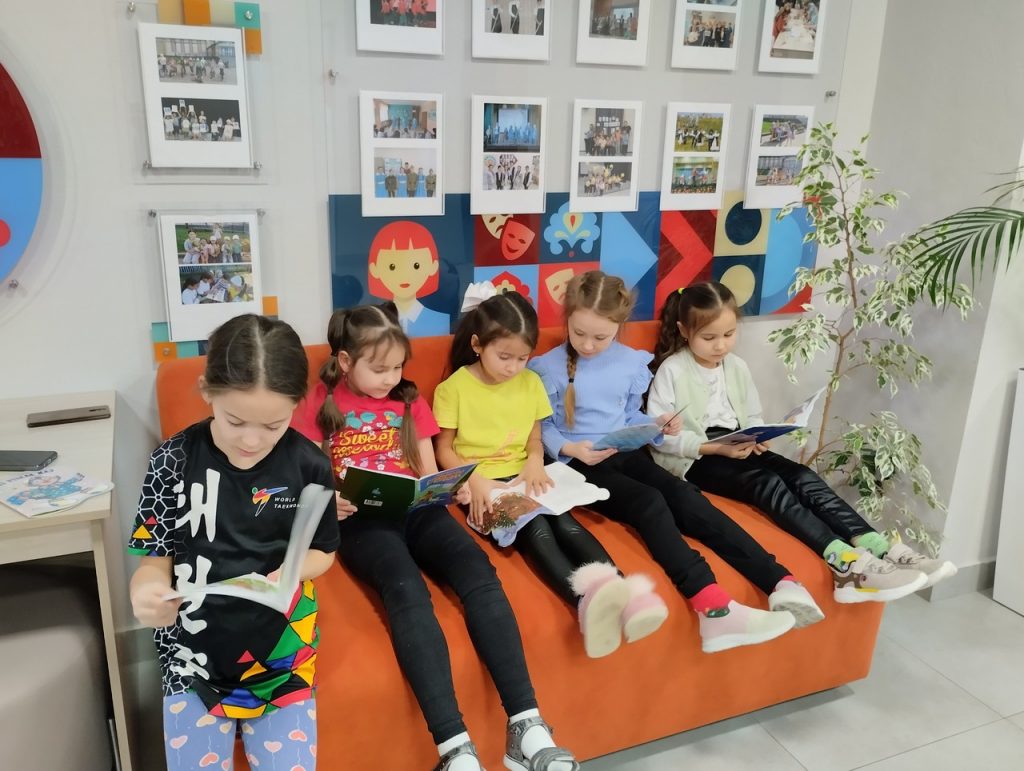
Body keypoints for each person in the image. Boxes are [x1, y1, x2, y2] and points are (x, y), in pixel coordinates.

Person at [291, 303, 579, 771]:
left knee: (478, 572)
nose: (389, 378)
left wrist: (446, 487)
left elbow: (426, 468)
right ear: (345, 362)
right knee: (406, 587)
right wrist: (328, 499)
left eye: (397, 367)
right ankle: (453, 748)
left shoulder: (408, 400)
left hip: (417, 510)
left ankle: (526, 724)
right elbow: (304, 474)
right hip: (361, 519)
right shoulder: (320, 403)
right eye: (378, 369)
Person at [528, 270, 822, 649]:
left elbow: (629, 415)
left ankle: (779, 580)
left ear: (619, 325)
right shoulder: (547, 367)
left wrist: (657, 425)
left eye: (601, 337)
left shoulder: (629, 363)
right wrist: (572, 449)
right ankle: (712, 607)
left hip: (624, 450)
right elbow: (541, 427)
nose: (588, 345)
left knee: (685, 496)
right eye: (578, 333)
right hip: (579, 463)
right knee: (649, 502)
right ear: (566, 319)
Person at [648, 282, 956, 601]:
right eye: (709, 338)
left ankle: (880, 547)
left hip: (736, 443)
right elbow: (659, 437)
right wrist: (714, 448)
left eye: (729, 334)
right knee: (766, 483)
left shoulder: (736, 367)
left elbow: (750, 414)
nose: (721, 346)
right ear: (684, 331)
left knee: (802, 476)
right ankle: (843, 562)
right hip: (697, 457)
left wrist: (758, 434)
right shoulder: (672, 370)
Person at [127, 315, 340, 770]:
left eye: (273, 425)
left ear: (296, 406)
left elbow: (324, 550)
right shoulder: (172, 460)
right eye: (235, 420)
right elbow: (154, 560)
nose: (251, 440)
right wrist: (147, 591)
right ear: (207, 391)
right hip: (191, 660)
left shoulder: (310, 466)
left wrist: (292, 571)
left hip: (283, 657)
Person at [434, 284, 670, 659]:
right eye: (504, 357)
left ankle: (623, 593)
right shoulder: (454, 389)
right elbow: (443, 448)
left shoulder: (530, 382)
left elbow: (534, 437)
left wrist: (533, 461)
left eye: (522, 358)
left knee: (567, 524)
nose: (513, 368)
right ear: (478, 344)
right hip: (483, 484)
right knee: (538, 530)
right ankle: (585, 603)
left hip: (529, 473)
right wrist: (475, 480)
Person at [366, 220, 450, 337]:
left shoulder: (440, 321)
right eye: (392, 266)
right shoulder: (372, 323)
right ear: (374, 269)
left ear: (433, 266)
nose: (404, 275)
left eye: (416, 266)